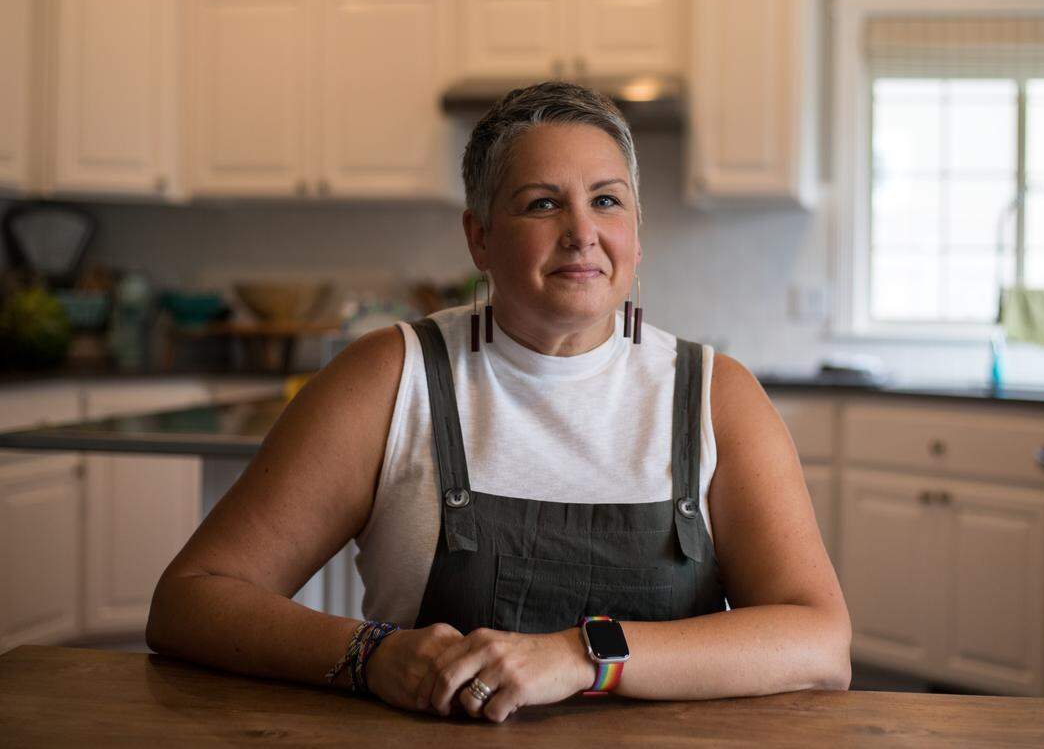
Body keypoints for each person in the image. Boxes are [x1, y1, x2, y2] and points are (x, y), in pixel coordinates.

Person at [146, 81, 851, 724]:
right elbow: (192, 598)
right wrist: (372, 654)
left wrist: (582, 654)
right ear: (478, 237)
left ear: (638, 235)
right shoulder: (393, 379)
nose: (582, 231)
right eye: (542, 203)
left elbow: (820, 642)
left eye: (606, 199)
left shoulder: (714, 395)